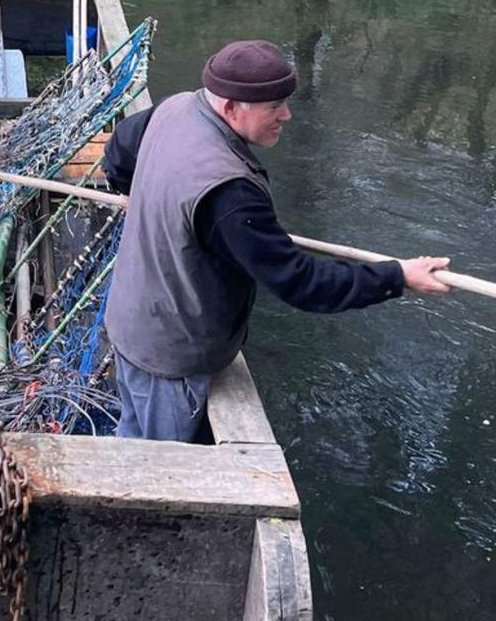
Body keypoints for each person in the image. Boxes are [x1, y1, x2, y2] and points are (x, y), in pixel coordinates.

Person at [103, 39, 451, 443]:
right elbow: (301, 283)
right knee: (157, 469)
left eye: (284, 102)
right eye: (273, 107)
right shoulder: (229, 194)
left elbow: (119, 151)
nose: (286, 115)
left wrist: (137, 194)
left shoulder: (177, 107)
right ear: (232, 108)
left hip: (127, 320)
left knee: (131, 433)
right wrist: (398, 276)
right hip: (167, 357)